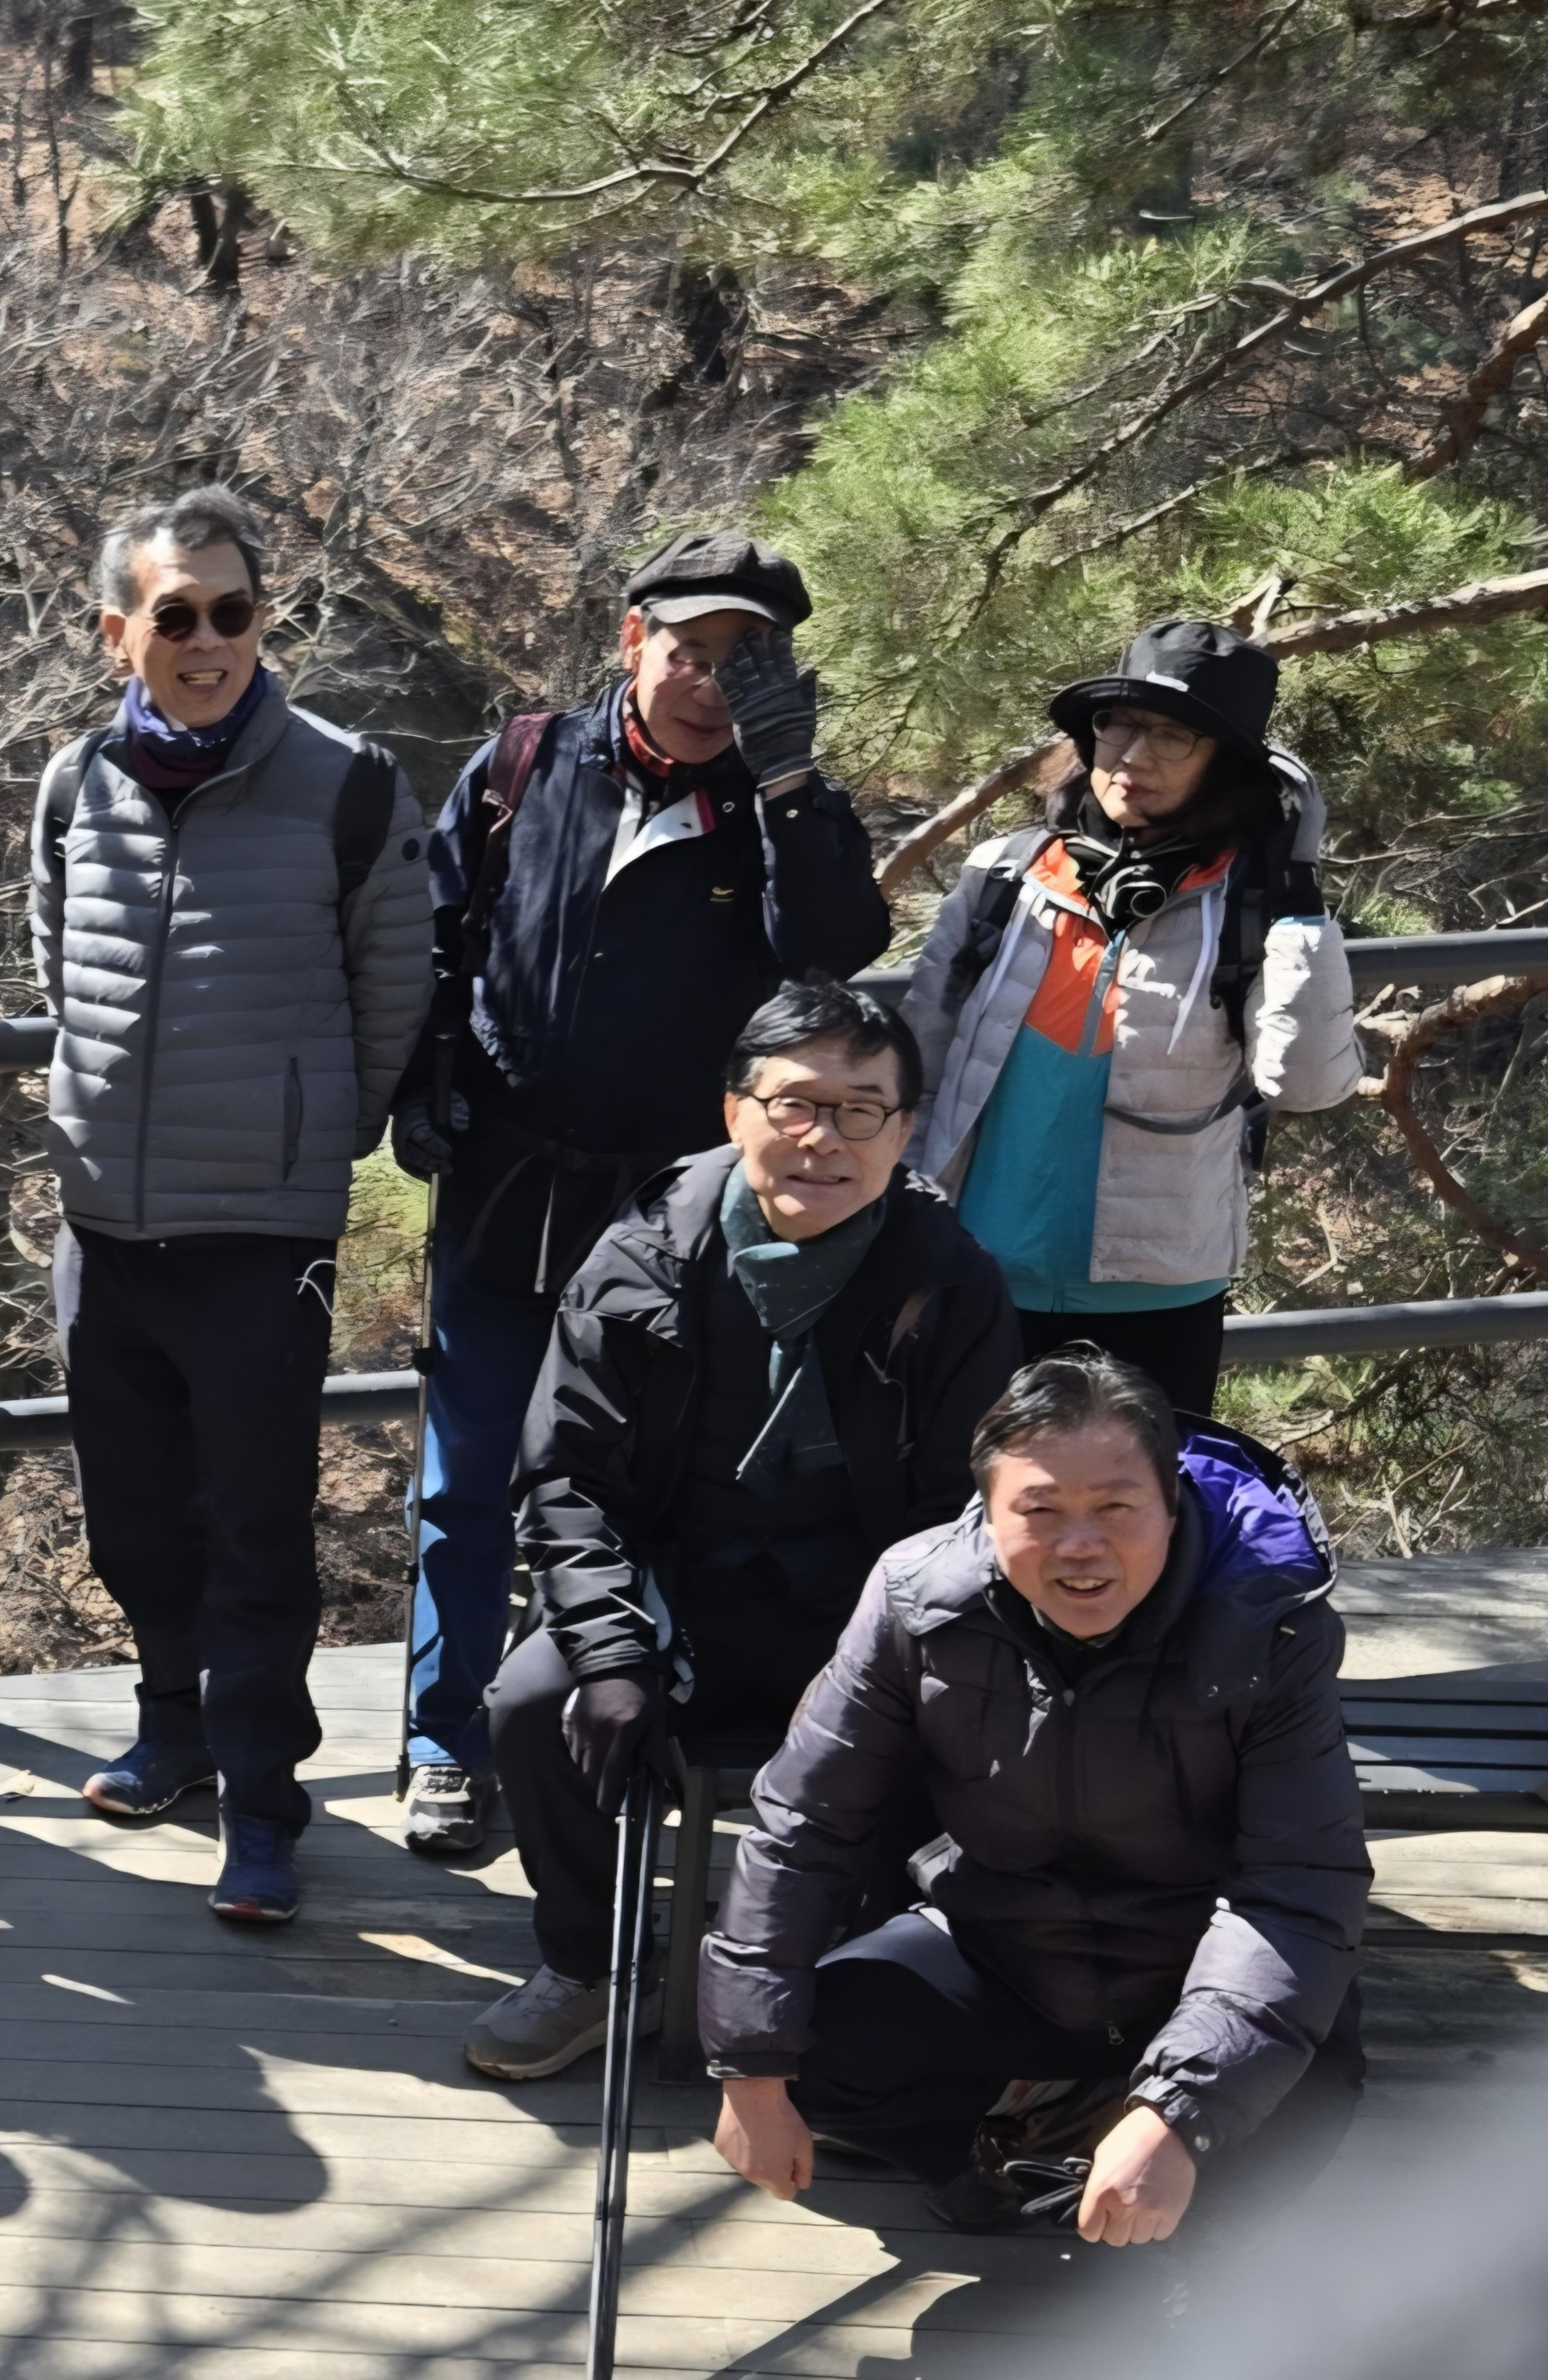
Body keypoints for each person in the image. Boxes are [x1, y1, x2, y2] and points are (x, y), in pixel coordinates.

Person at [389, 531, 890, 1853]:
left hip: (670, 1221)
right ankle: (448, 1745)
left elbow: (835, 956)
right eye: (691, 651)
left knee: (643, 1492)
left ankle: (607, 1737)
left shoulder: (785, 811)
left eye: (747, 661)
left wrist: (790, 785)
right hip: (504, 1188)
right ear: (633, 641)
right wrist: (419, 1082)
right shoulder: (526, 763)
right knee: (467, 1483)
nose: (712, 683)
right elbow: (436, 935)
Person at [460, 979, 1020, 2080]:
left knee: (960, 1717)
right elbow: (565, 1475)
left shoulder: (948, 1281)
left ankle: (861, 1979)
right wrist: (611, 1653)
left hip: (861, 1607)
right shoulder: (641, 1256)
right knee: (533, 1702)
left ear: (903, 1130)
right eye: (794, 1104)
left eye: (860, 1111)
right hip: (673, 1590)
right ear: (735, 1110)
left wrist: (881, 1652)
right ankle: (588, 1963)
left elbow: (967, 1510)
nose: (823, 1139)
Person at [701, 1347, 1371, 2246]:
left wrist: (1180, 2112)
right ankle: (1002, 2151)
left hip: (1195, 1956)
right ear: (987, 1511)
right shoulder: (915, 1598)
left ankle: (1130, 2122)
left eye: (1116, 1508)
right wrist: (748, 2065)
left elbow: (1299, 1886)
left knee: (1296, 2103)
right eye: (1041, 1511)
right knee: (803, 2050)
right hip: (1005, 1940)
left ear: (1171, 1503)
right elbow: (804, 1827)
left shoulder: (1271, 1618)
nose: (1080, 1545)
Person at [30, 484, 432, 1924]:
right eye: (177, 614)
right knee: (134, 1519)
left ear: (264, 621)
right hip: (104, 1225)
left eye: (235, 612)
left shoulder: (347, 785)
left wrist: (310, 1135)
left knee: (258, 1530)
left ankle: (263, 1805)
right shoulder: (75, 783)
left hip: (261, 1232)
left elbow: (395, 988)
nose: (208, 640)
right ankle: (174, 1734)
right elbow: (58, 958)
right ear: (116, 633)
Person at [901, 618, 1361, 1414]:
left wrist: (1297, 890)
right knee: (962, 1487)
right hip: (977, 1274)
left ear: (1225, 765)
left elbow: (1307, 1085)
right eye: (1118, 724)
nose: (1134, 756)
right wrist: (908, 1228)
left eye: (1173, 736)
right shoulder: (1004, 877)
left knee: (1139, 1492)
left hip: (1158, 1292)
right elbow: (917, 1071)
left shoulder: (1251, 905)